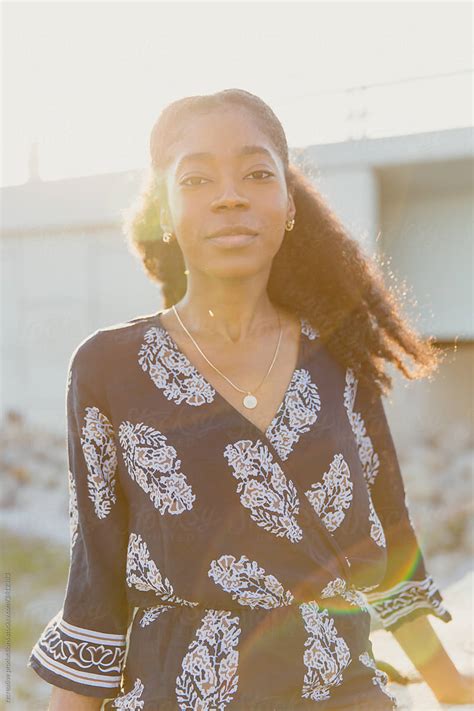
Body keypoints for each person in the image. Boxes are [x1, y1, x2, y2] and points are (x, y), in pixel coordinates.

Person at [27, 88, 474, 710]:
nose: (230, 194)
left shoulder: (340, 359)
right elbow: (95, 583)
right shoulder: (109, 369)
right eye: (198, 178)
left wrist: (453, 691)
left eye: (257, 173)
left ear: (289, 203)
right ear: (165, 210)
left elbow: (387, 548)